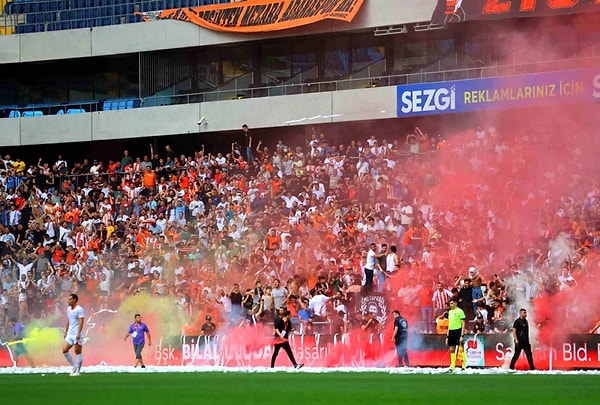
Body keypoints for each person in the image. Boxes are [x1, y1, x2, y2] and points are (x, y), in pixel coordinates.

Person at [63, 293, 84, 376]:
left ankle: (78, 371)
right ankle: (74, 366)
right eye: (69, 299)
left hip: (76, 333)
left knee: (77, 352)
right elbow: (69, 320)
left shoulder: (79, 309)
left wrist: (79, 333)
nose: (69, 301)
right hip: (70, 333)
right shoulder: (68, 309)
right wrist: (66, 330)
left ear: (75, 300)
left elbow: (81, 321)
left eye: (70, 299)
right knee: (64, 350)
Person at [446, 298, 466, 372]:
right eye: (450, 303)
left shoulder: (460, 311)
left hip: (458, 330)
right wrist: (447, 336)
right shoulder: (450, 312)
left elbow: (463, 324)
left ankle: (463, 365)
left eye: (451, 303)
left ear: (455, 303)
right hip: (451, 331)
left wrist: (462, 335)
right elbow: (449, 324)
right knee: (452, 349)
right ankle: (453, 366)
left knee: (461, 348)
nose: (450, 305)